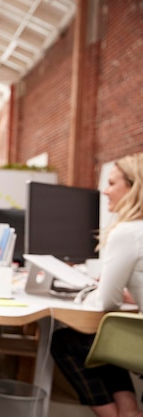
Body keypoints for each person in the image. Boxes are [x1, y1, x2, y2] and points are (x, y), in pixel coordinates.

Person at [50, 152, 143, 417]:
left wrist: (92, 292)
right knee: (106, 340)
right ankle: (128, 411)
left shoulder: (128, 232)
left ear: (134, 186)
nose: (105, 191)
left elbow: (106, 302)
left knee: (66, 341)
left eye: (113, 183)